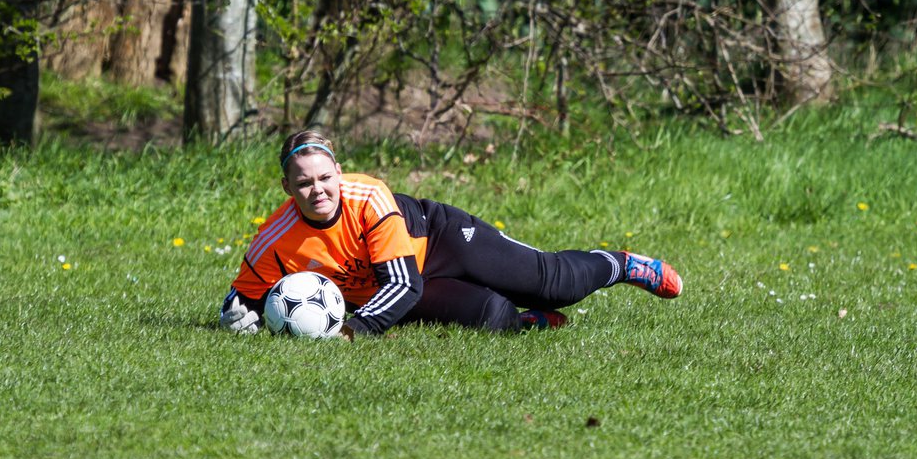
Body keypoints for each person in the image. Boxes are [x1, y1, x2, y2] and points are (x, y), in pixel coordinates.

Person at [219, 130, 681, 338]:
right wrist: (238, 318)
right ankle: (521, 323)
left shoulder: (369, 197)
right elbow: (241, 298)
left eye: (324, 177)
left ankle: (621, 264)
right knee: (492, 316)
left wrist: (351, 332)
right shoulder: (274, 239)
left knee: (552, 284)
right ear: (287, 187)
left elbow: (403, 285)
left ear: (338, 172)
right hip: (399, 283)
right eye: (303, 182)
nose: (317, 189)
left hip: (439, 242)